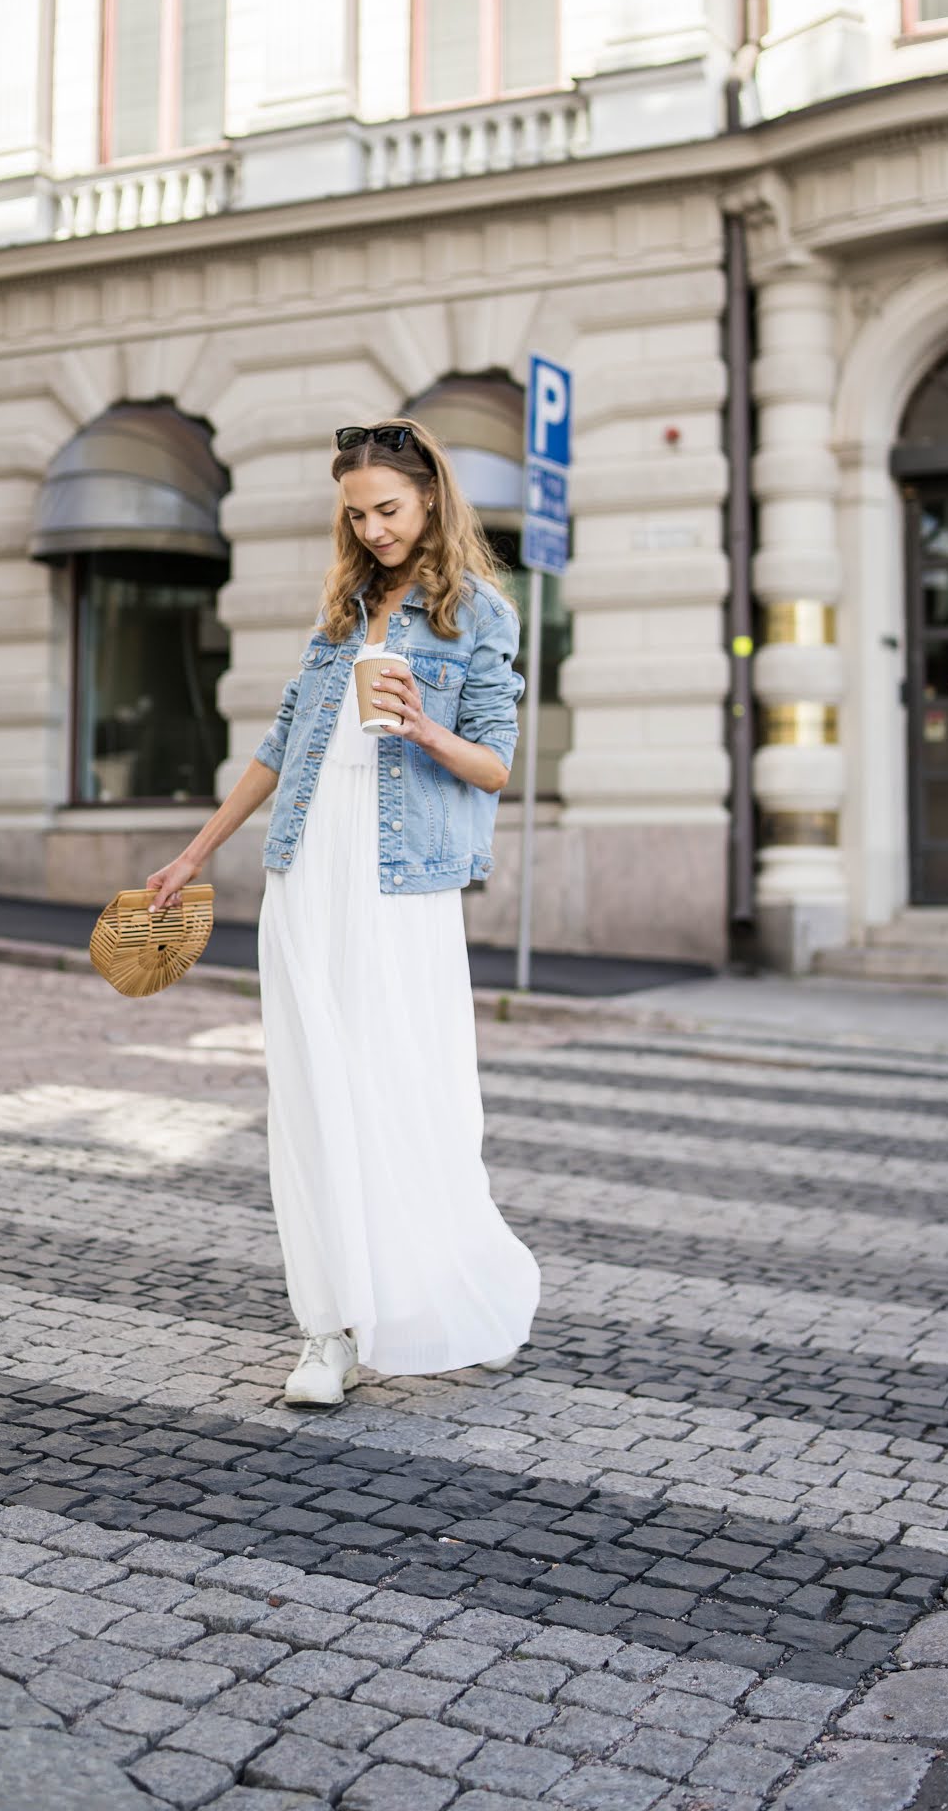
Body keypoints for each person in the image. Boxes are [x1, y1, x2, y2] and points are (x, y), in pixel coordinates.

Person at [146, 419, 540, 1406]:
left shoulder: (482, 612)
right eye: (357, 513)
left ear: (433, 499)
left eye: (389, 509)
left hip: (402, 879)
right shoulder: (341, 611)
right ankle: (327, 1329)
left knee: (418, 1094)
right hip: (309, 867)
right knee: (317, 1096)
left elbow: (497, 760)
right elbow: (279, 748)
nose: (372, 529)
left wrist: (423, 726)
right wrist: (197, 852)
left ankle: (465, 1292)